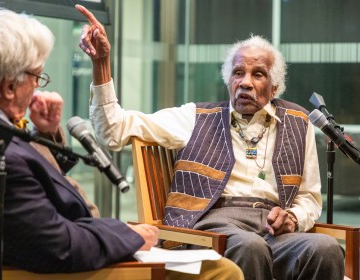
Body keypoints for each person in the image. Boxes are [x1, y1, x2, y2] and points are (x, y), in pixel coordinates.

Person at [76, 4, 346, 280]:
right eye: (238, 73)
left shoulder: (297, 121)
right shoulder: (195, 117)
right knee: (250, 247)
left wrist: (293, 217)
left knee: (326, 248)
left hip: (272, 231)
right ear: (228, 80)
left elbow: (308, 197)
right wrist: (101, 65)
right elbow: (113, 130)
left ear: (274, 87)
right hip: (213, 226)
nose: (245, 83)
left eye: (258, 74)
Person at [0, 6, 243, 280]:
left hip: (83, 246)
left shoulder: (6, 135)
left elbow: (41, 194)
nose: (39, 87)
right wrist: (127, 234)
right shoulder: (2, 153)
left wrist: (46, 133)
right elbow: (57, 245)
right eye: (37, 76)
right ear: (9, 88)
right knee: (221, 272)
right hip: (65, 265)